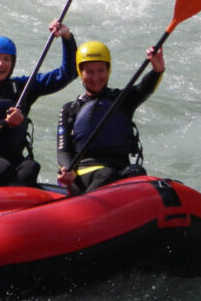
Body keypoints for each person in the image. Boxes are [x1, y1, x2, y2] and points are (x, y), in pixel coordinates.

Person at [0, 20, 77, 186]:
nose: (1, 64)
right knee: (2, 169)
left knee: (30, 167)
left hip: (10, 157)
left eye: (6, 59)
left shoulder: (22, 88)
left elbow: (68, 73)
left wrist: (67, 38)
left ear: (13, 63)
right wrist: (5, 124)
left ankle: (15, 204)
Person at [56, 41, 165, 195]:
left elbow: (143, 89)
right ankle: (85, 209)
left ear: (108, 70)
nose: (96, 77)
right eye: (89, 72)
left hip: (119, 169)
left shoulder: (121, 100)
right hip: (84, 173)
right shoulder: (70, 109)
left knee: (137, 172)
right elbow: (63, 150)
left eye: (101, 70)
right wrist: (66, 169)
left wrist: (157, 70)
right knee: (106, 174)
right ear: (81, 73)